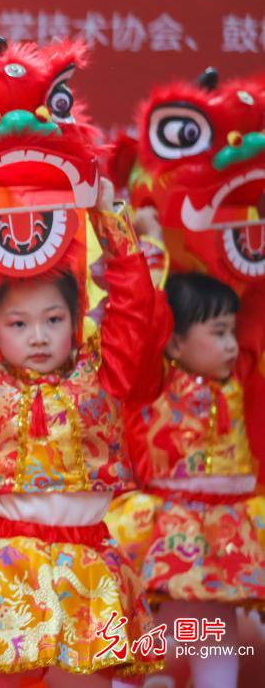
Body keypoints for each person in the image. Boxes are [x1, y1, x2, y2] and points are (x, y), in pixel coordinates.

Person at [0, 183, 163, 686]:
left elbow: (136, 311)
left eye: (53, 320)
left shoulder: (106, 376)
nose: (38, 336)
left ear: (76, 320)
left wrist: (110, 216)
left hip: (87, 563)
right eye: (18, 323)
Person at [108, 272, 265, 688]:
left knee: (216, 626)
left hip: (227, 526)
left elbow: (256, 321)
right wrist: (151, 250)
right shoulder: (153, 383)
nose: (231, 343)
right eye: (218, 332)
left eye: (232, 331)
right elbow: (142, 323)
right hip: (168, 526)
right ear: (175, 342)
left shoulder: (239, 379)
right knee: (147, 628)